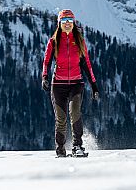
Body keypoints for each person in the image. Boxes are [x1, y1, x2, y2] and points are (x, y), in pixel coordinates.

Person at [42, 9, 99, 157]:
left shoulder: (79, 40)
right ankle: (60, 148)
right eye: (64, 21)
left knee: (75, 113)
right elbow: (47, 62)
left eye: (70, 21)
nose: (67, 24)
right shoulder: (54, 42)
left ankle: (77, 146)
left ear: (74, 23)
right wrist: (45, 77)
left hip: (76, 84)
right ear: (59, 23)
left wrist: (94, 86)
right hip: (58, 85)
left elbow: (86, 64)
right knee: (61, 119)